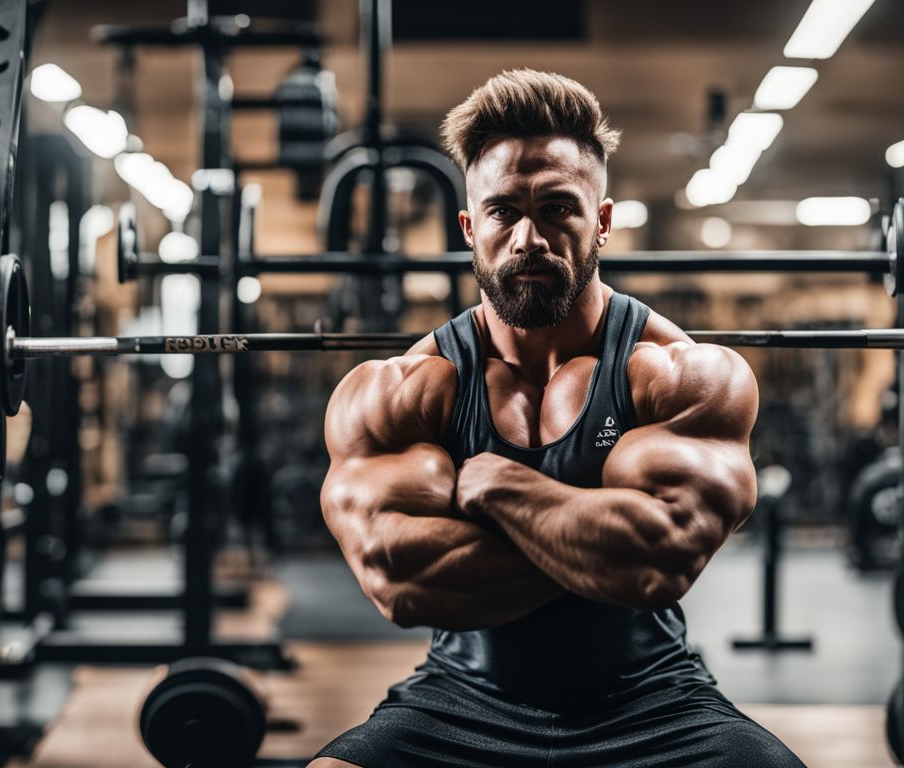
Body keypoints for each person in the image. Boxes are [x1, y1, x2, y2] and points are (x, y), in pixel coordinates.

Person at [309, 69, 804, 768]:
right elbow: (402, 577)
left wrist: (499, 488)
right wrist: (602, 534)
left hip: (650, 702)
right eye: (504, 210)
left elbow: (661, 558)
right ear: (470, 226)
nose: (529, 237)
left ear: (601, 221)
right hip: (458, 703)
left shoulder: (675, 374)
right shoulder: (406, 387)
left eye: (558, 209)